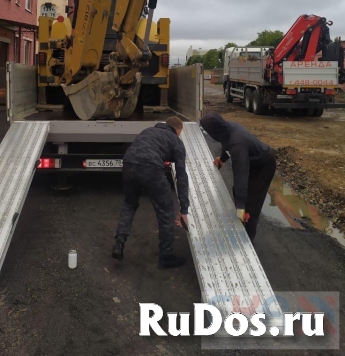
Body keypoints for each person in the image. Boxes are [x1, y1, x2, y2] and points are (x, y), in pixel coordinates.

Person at [112, 116, 189, 269]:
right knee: (166, 210)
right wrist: (184, 209)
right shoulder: (176, 141)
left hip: (128, 163)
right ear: (177, 130)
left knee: (129, 204)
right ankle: (166, 257)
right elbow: (181, 176)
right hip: (151, 167)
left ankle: (119, 244)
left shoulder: (148, 131)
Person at [200, 112, 276, 242]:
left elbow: (240, 174)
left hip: (263, 166)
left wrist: (241, 206)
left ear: (214, 132)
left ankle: (247, 241)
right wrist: (222, 159)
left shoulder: (237, 145)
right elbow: (226, 142)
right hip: (252, 161)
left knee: (251, 204)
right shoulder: (228, 129)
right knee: (239, 194)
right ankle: (240, 223)